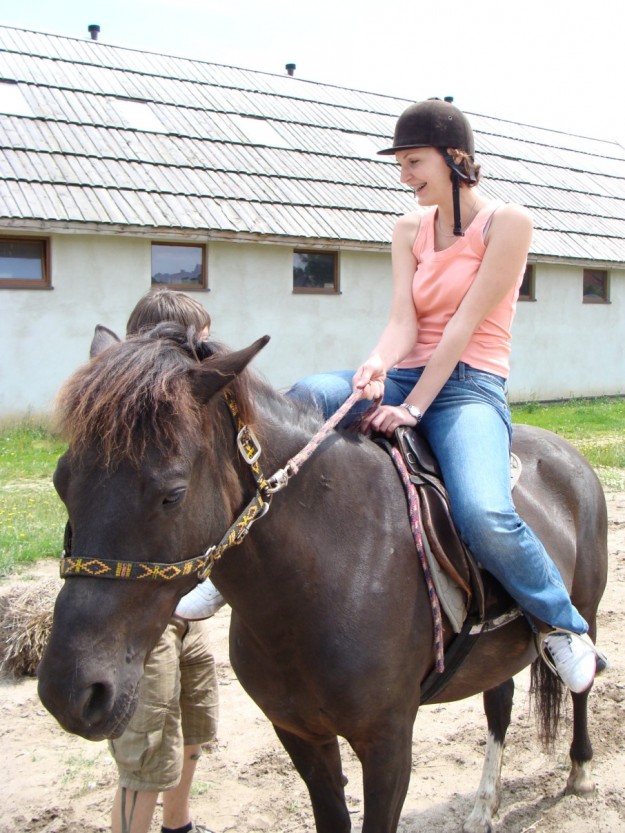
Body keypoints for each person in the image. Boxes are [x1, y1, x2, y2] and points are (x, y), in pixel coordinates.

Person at [285, 98, 605, 694]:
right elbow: (402, 320)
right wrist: (377, 366)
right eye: (400, 164)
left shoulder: (508, 223)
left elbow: (463, 324)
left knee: (483, 513)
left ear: (455, 158)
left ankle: (561, 625)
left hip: (469, 388)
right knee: (304, 397)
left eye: (414, 162)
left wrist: (413, 408)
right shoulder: (409, 228)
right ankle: (232, 553)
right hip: (405, 373)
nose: (404, 176)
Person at [108, 287, 224, 833]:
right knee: (146, 759)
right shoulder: (127, 436)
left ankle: (179, 826)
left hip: (186, 612)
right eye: (200, 344)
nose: (207, 357)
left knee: (193, 734)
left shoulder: (181, 425)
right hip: (144, 617)